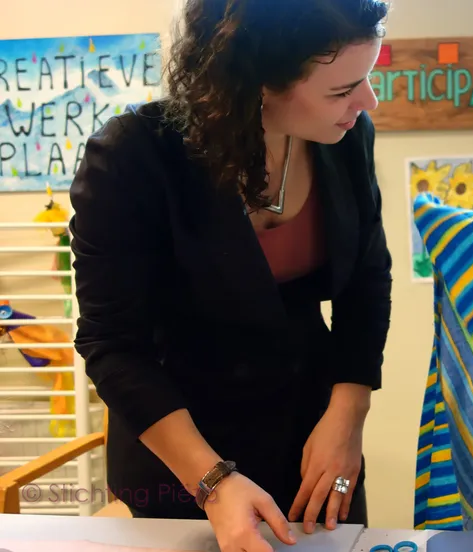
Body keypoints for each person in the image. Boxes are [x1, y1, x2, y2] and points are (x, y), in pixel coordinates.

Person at [68, 1, 392, 550]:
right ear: (256, 84)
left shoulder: (346, 139)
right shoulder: (132, 159)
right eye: (341, 91)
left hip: (311, 439)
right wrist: (212, 481)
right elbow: (113, 344)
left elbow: (367, 281)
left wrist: (348, 411)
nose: (366, 103)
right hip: (178, 450)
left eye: (367, 80)